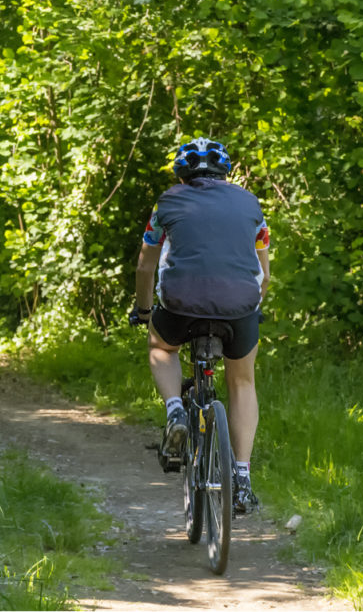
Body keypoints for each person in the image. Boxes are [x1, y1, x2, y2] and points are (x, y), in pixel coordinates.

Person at [129, 137, 270, 514]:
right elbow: (264, 272)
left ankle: (175, 408)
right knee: (242, 381)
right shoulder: (252, 205)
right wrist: (253, 307)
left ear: (182, 172)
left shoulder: (166, 203)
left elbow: (146, 264)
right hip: (239, 306)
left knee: (161, 346)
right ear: (225, 172)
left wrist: (144, 311)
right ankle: (241, 477)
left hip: (181, 304)